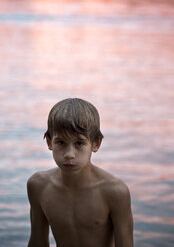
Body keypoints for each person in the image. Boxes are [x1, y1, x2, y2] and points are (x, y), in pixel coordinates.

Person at [27, 98, 133, 247]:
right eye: (61, 142)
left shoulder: (114, 192)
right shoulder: (38, 186)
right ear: (50, 142)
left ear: (96, 143)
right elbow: (37, 241)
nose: (69, 154)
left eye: (79, 143)